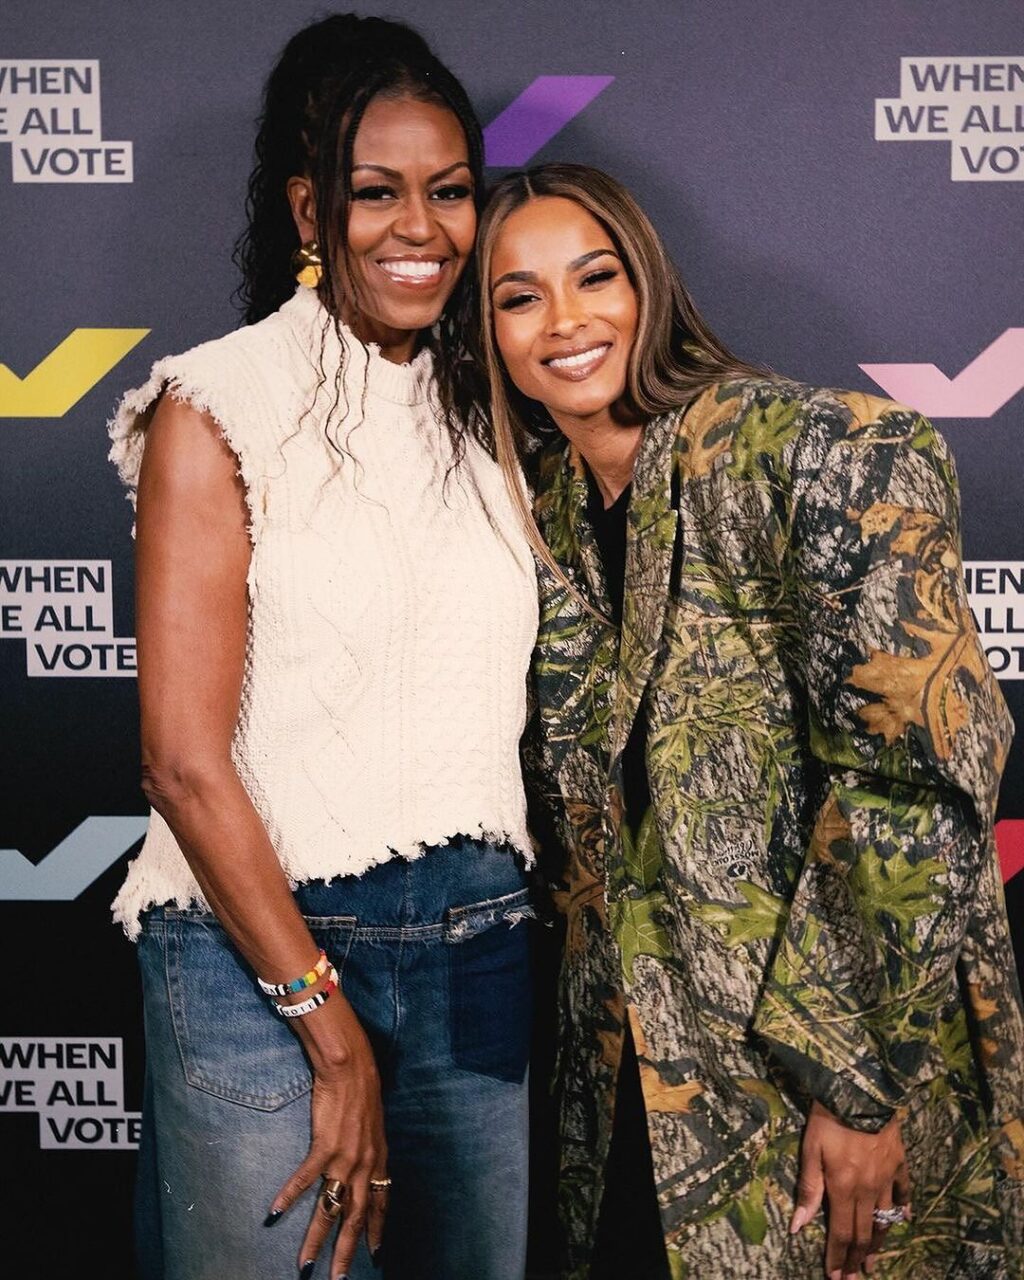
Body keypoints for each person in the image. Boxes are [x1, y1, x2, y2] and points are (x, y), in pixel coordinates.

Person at [474, 162, 1024, 1280]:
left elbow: (912, 785)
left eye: (596, 276)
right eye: (519, 296)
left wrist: (859, 1086)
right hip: (638, 1107)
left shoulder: (814, 451)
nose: (565, 320)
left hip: (822, 1093)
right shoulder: (539, 520)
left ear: (652, 286)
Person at [107, 16, 539, 1280]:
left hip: (480, 946)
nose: (421, 227)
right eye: (375, 192)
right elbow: (181, 760)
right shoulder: (218, 400)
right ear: (310, 209)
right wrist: (329, 1033)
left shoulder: (498, 403)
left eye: (450, 191)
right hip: (257, 956)